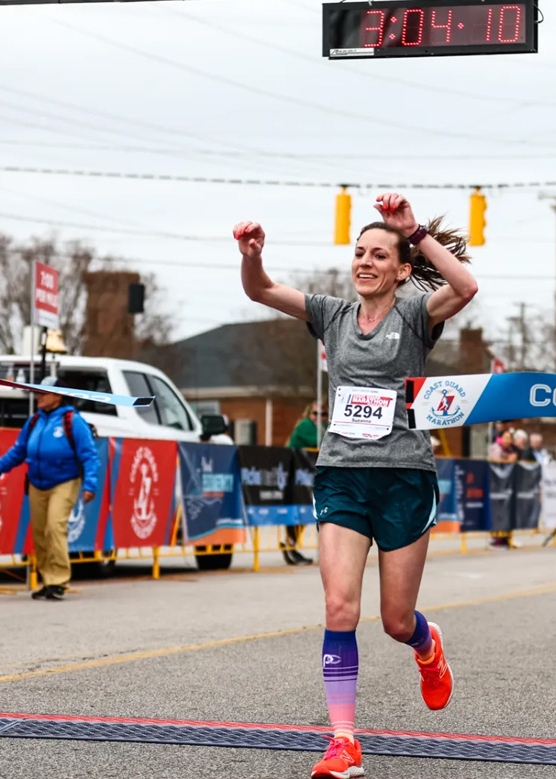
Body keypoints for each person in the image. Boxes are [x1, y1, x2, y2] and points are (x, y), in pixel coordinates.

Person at [234, 192, 478, 779]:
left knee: (396, 620)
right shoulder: (332, 315)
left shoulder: (417, 315)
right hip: (342, 473)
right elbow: (261, 291)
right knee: (340, 606)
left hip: (404, 478)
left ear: (399, 268)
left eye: (377, 254)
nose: (364, 262)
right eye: (358, 253)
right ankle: (343, 741)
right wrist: (252, 255)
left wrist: (415, 232)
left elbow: (466, 288)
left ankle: (426, 645)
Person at [0, 377, 100, 600]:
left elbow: (89, 456)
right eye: (37, 392)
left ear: (58, 396)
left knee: (54, 527)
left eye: (43, 393)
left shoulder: (72, 421)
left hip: (65, 481)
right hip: (37, 483)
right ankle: (48, 579)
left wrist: (90, 485)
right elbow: (18, 451)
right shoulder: (34, 421)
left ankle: (58, 581)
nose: (39, 396)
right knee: (40, 533)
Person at [284, 402, 326, 566]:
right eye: (316, 414)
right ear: (309, 414)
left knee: (305, 512)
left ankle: (291, 544)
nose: (319, 418)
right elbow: (317, 441)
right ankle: (290, 545)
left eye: (322, 415)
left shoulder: (323, 426)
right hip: (296, 474)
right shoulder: (305, 426)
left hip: (309, 476)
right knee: (296, 511)